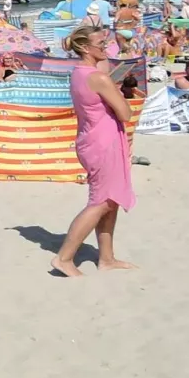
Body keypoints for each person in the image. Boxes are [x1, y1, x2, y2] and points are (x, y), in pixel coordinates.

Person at [51, 27, 137, 277]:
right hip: (103, 142)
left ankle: (106, 258)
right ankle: (64, 258)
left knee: (111, 201)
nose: (107, 45)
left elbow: (103, 68)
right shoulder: (98, 79)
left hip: (92, 139)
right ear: (86, 48)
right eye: (102, 42)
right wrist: (118, 93)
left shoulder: (79, 72)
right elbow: (125, 113)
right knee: (100, 202)